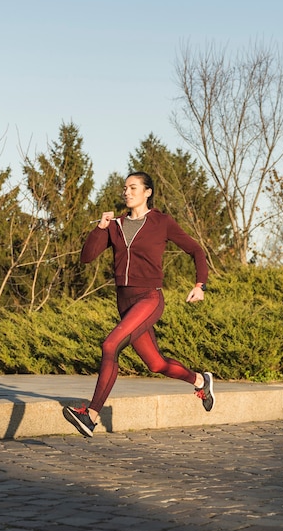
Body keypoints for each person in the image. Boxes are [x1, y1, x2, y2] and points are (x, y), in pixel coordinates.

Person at [62, 171, 215, 437]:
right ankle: (201, 380)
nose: (127, 192)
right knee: (156, 364)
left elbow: (196, 250)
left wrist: (200, 284)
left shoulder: (161, 222)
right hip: (124, 301)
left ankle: (91, 415)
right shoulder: (115, 225)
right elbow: (86, 257)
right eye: (125, 188)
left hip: (149, 297)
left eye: (134, 187)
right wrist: (100, 229)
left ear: (147, 192)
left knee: (110, 345)